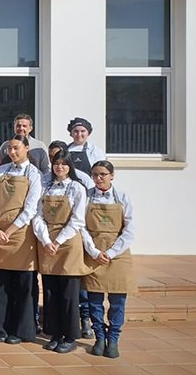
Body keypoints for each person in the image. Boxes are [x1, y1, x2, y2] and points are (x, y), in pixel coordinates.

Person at [0, 134, 43, 345]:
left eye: (16, 148)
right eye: (9, 148)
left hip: (20, 235)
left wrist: (9, 231)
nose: (12, 152)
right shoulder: (0, 172)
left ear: (26, 148)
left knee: (22, 286)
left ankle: (21, 330)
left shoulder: (34, 174)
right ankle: (1, 327)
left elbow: (30, 208)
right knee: (0, 285)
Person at [32, 152, 89, 354]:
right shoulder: (45, 187)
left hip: (67, 243)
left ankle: (70, 336)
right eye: (56, 164)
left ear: (70, 167)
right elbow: (37, 216)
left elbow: (78, 220)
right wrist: (46, 240)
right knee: (50, 292)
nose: (60, 168)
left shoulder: (77, 188)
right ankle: (55, 333)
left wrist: (58, 240)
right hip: (48, 243)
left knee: (68, 293)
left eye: (64, 164)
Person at [81, 160, 136, 359]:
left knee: (117, 300)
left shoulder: (122, 197)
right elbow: (81, 226)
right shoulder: (86, 197)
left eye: (103, 174)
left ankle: (113, 339)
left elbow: (129, 230)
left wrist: (111, 252)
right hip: (94, 252)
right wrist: (94, 251)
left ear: (112, 175)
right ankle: (99, 337)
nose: (99, 178)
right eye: (95, 174)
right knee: (94, 300)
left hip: (118, 254)